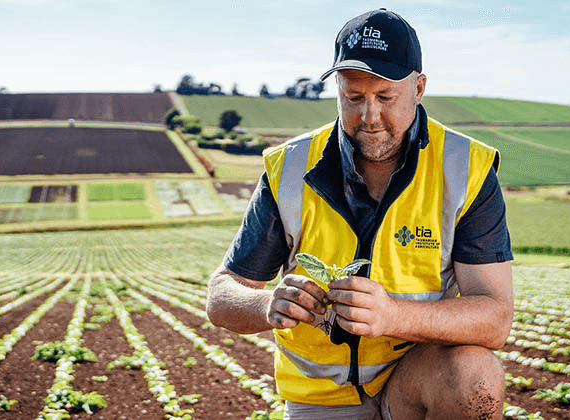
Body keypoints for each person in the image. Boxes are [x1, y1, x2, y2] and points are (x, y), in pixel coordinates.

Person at [206, 8, 513, 420]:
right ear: (337, 89)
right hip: (318, 401)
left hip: (411, 384)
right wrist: (266, 305)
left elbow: (494, 318)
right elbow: (221, 296)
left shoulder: (465, 168)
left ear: (418, 88)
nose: (370, 117)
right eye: (354, 97)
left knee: (474, 377)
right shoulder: (291, 167)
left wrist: (393, 316)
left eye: (386, 97)